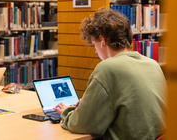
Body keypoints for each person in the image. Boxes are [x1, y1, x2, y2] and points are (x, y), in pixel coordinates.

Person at [53, 7, 167, 140]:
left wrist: (67, 113)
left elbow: (83, 124)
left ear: (102, 40)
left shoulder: (107, 68)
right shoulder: (153, 64)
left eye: (93, 43)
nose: (95, 51)